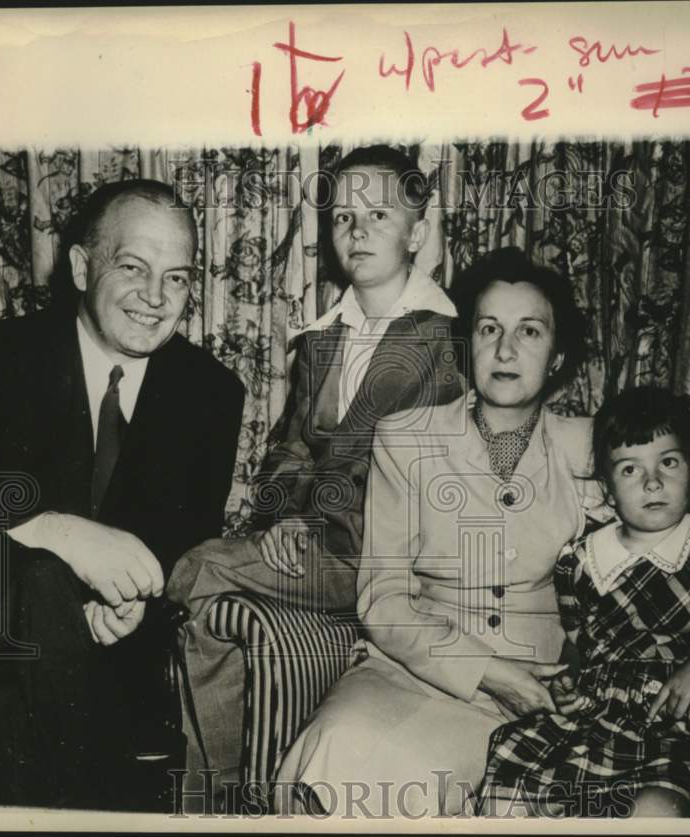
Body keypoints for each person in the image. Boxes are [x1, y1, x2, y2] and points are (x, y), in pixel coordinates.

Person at [0, 179, 245, 810]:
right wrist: (55, 529)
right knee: (40, 579)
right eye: (132, 267)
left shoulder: (211, 394)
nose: (155, 298)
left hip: (115, 667)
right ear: (80, 266)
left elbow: (184, 547)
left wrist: (128, 607)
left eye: (177, 278)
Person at [166, 145, 465, 799]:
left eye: (378, 214)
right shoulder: (324, 336)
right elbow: (291, 448)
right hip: (317, 543)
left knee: (193, 570)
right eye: (341, 217)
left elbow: (403, 475)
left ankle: (204, 797)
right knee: (209, 610)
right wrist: (277, 520)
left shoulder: (444, 342)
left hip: (382, 563)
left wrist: (303, 521)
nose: (356, 230)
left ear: (418, 230)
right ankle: (220, 787)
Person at [273, 247, 610, 816]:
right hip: (409, 671)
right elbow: (383, 600)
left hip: (532, 697)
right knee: (334, 751)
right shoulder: (407, 437)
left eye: (529, 331)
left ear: (557, 358)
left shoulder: (592, 449)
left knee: (413, 779)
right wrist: (489, 672)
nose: (506, 349)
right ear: (467, 345)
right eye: (489, 329)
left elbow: (675, 553)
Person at [477, 386, 690, 818]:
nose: (653, 482)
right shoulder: (579, 561)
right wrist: (567, 687)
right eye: (630, 469)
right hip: (595, 726)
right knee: (510, 798)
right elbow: (579, 651)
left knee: (653, 810)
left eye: (668, 462)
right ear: (608, 489)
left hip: (682, 730)